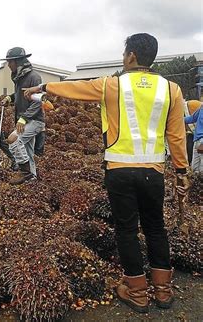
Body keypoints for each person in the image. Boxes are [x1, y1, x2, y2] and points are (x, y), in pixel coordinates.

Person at [24, 33, 190, 313]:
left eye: (125, 53)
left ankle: (137, 292)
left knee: (126, 229)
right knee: (155, 227)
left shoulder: (112, 85)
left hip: (120, 171)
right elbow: (176, 136)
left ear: (132, 56)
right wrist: (182, 172)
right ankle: (163, 290)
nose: (124, 58)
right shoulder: (171, 89)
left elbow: (76, 89)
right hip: (154, 173)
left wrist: (42, 87)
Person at [0, 47, 45, 184]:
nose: (8, 65)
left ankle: (25, 174)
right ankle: (32, 180)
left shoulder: (34, 77)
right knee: (27, 152)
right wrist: (10, 98)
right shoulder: (19, 77)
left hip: (34, 120)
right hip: (24, 120)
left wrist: (24, 119)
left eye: (10, 62)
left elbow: (38, 102)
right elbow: (21, 95)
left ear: (18, 61)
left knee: (13, 140)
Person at [184, 100, 203, 174]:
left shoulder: (201, 108)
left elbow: (191, 119)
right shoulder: (201, 109)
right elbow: (191, 119)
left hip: (198, 139)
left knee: (197, 166)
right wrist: (177, 119)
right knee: (196, 167)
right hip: (197, 141)